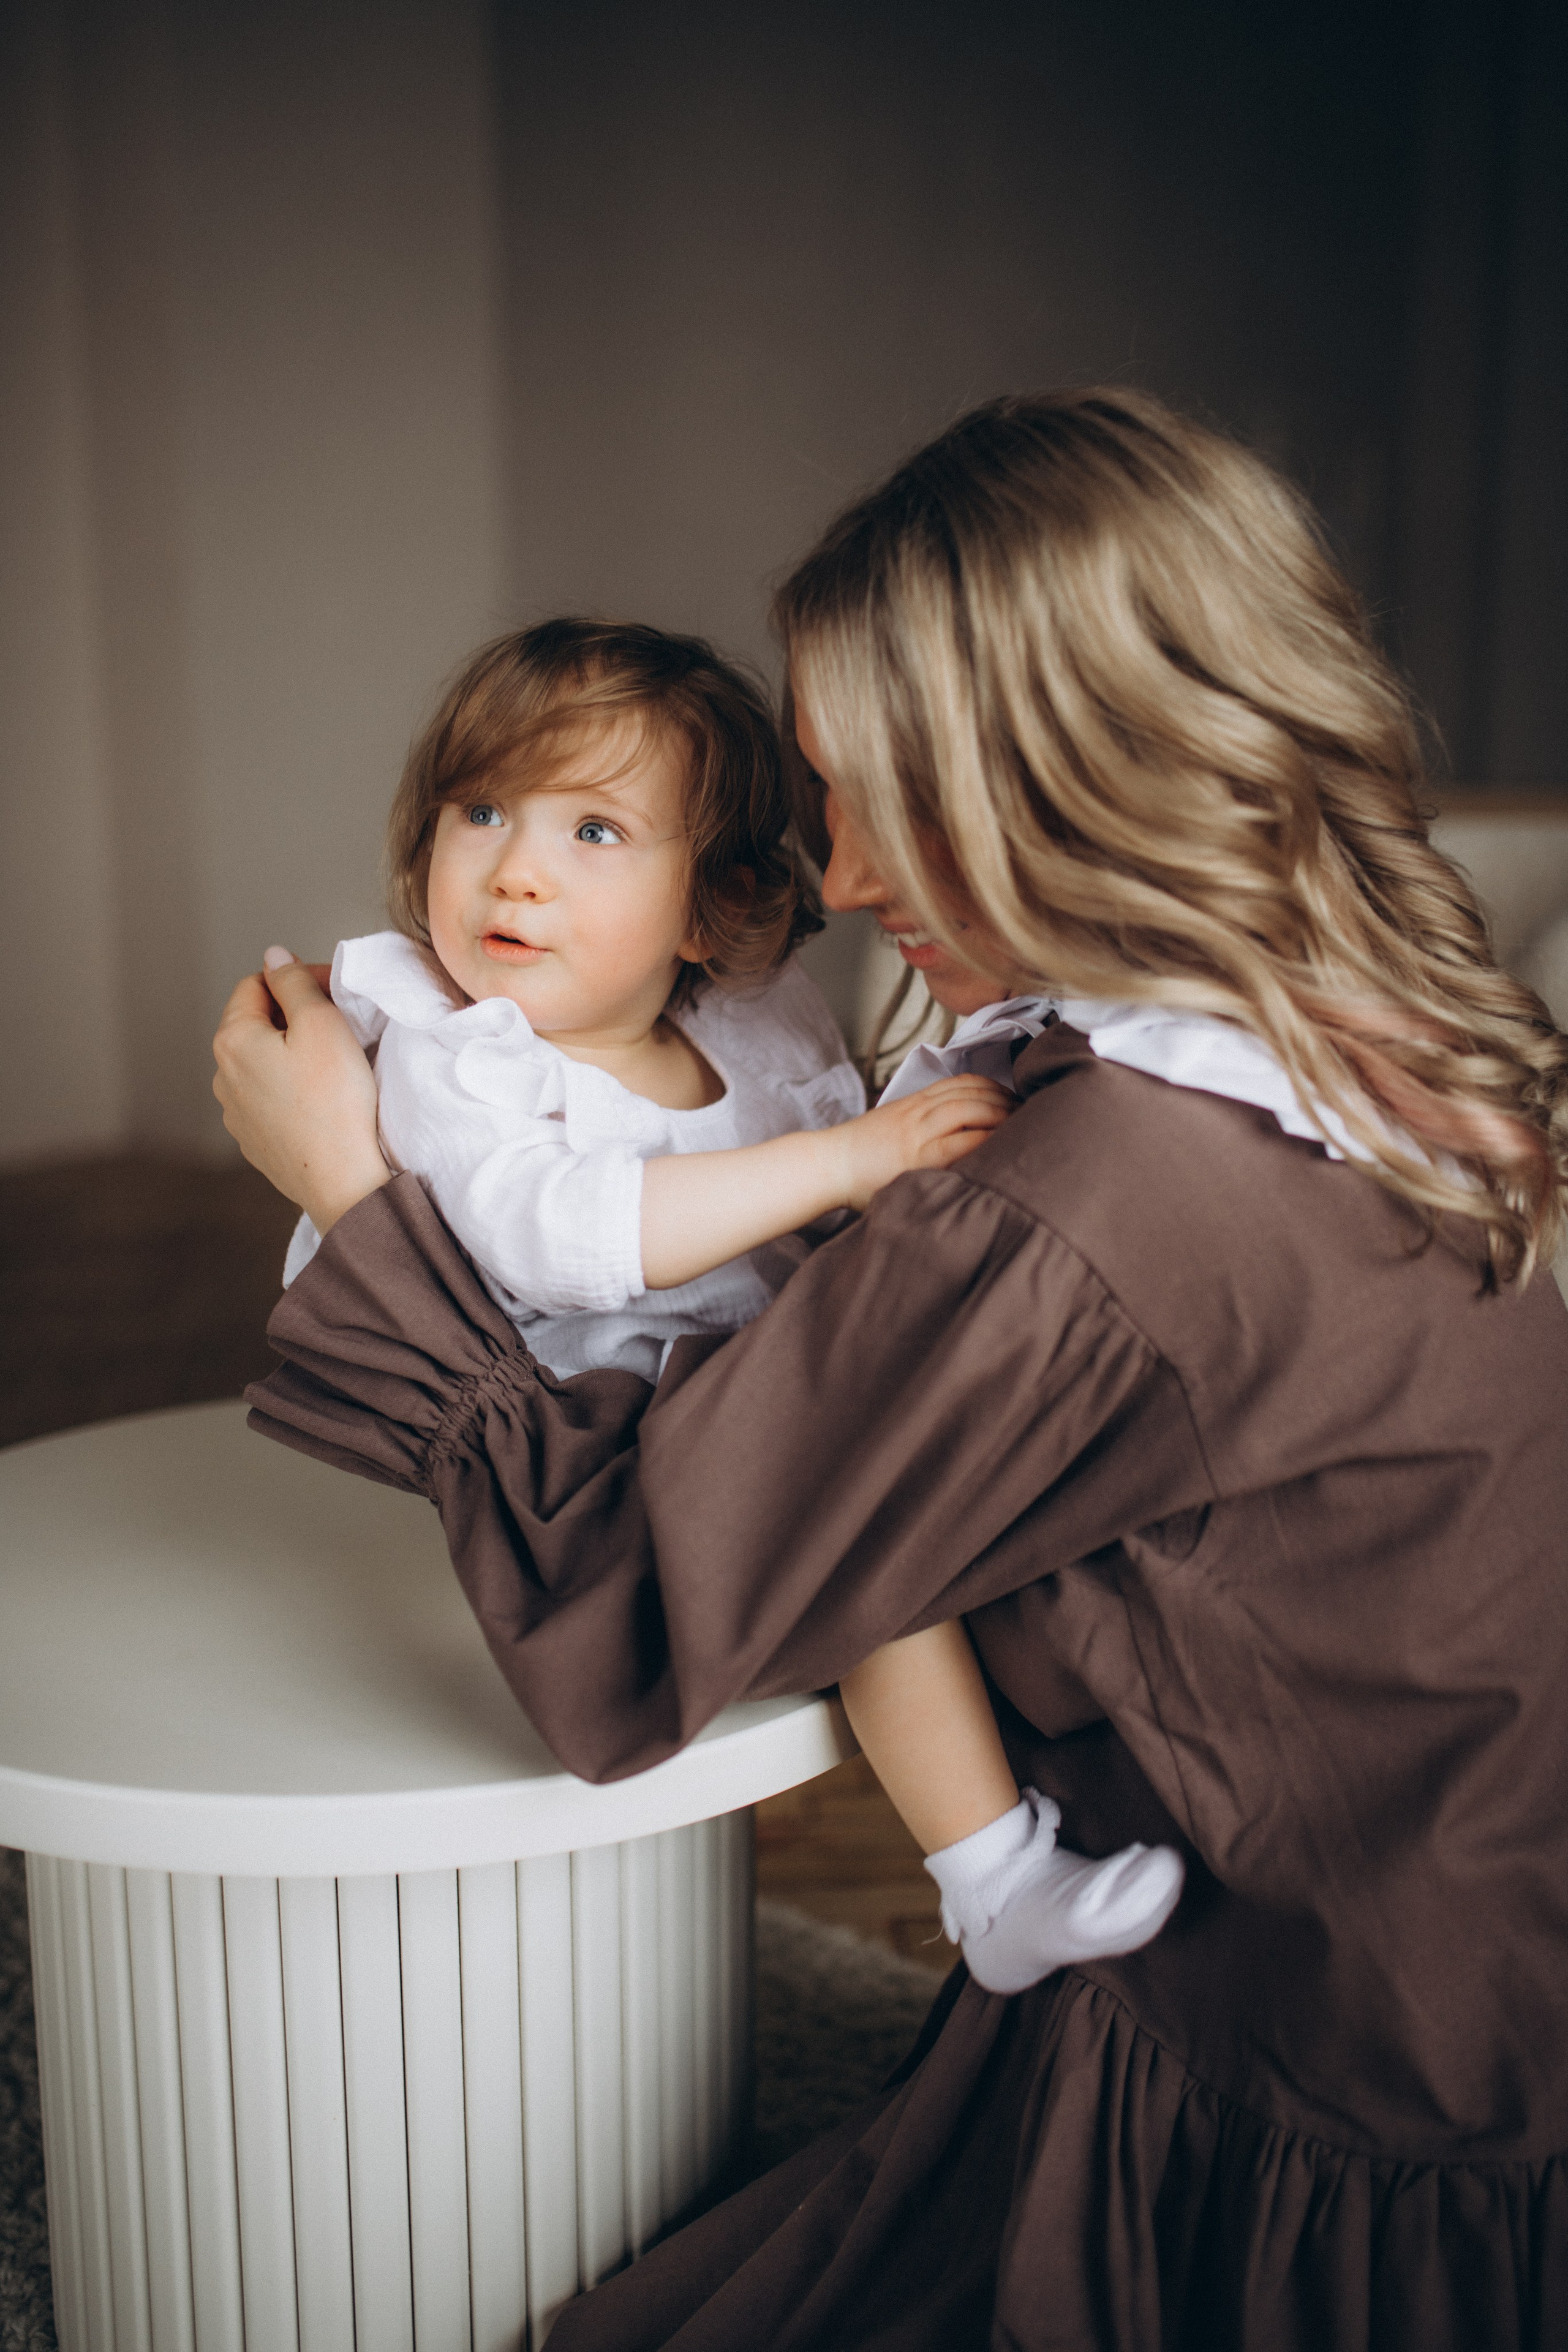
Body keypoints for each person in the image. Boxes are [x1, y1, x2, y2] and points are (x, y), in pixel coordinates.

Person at [214, 388, 1568, 2350]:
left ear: (1065, 778)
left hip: (1335, 2077)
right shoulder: (1358, 1026)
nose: (841, 879)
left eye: (877, 798)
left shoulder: (1089, 1196)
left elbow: (618, 1619)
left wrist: (350, 1188)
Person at [275, 613, 1183, 1992]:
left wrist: (893, 1185)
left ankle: (1034, 1827)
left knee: (902, 1541)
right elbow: (553, 1239)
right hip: (578, 1449)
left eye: (594, 833)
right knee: (875, 1575)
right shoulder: (455, 1054)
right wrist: (851, 1161)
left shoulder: (749, 1018)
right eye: (482, 811)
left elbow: (817, 1200)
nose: (516, 869)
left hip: (732, 1396)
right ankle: (990, 1881)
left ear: (707, 909)